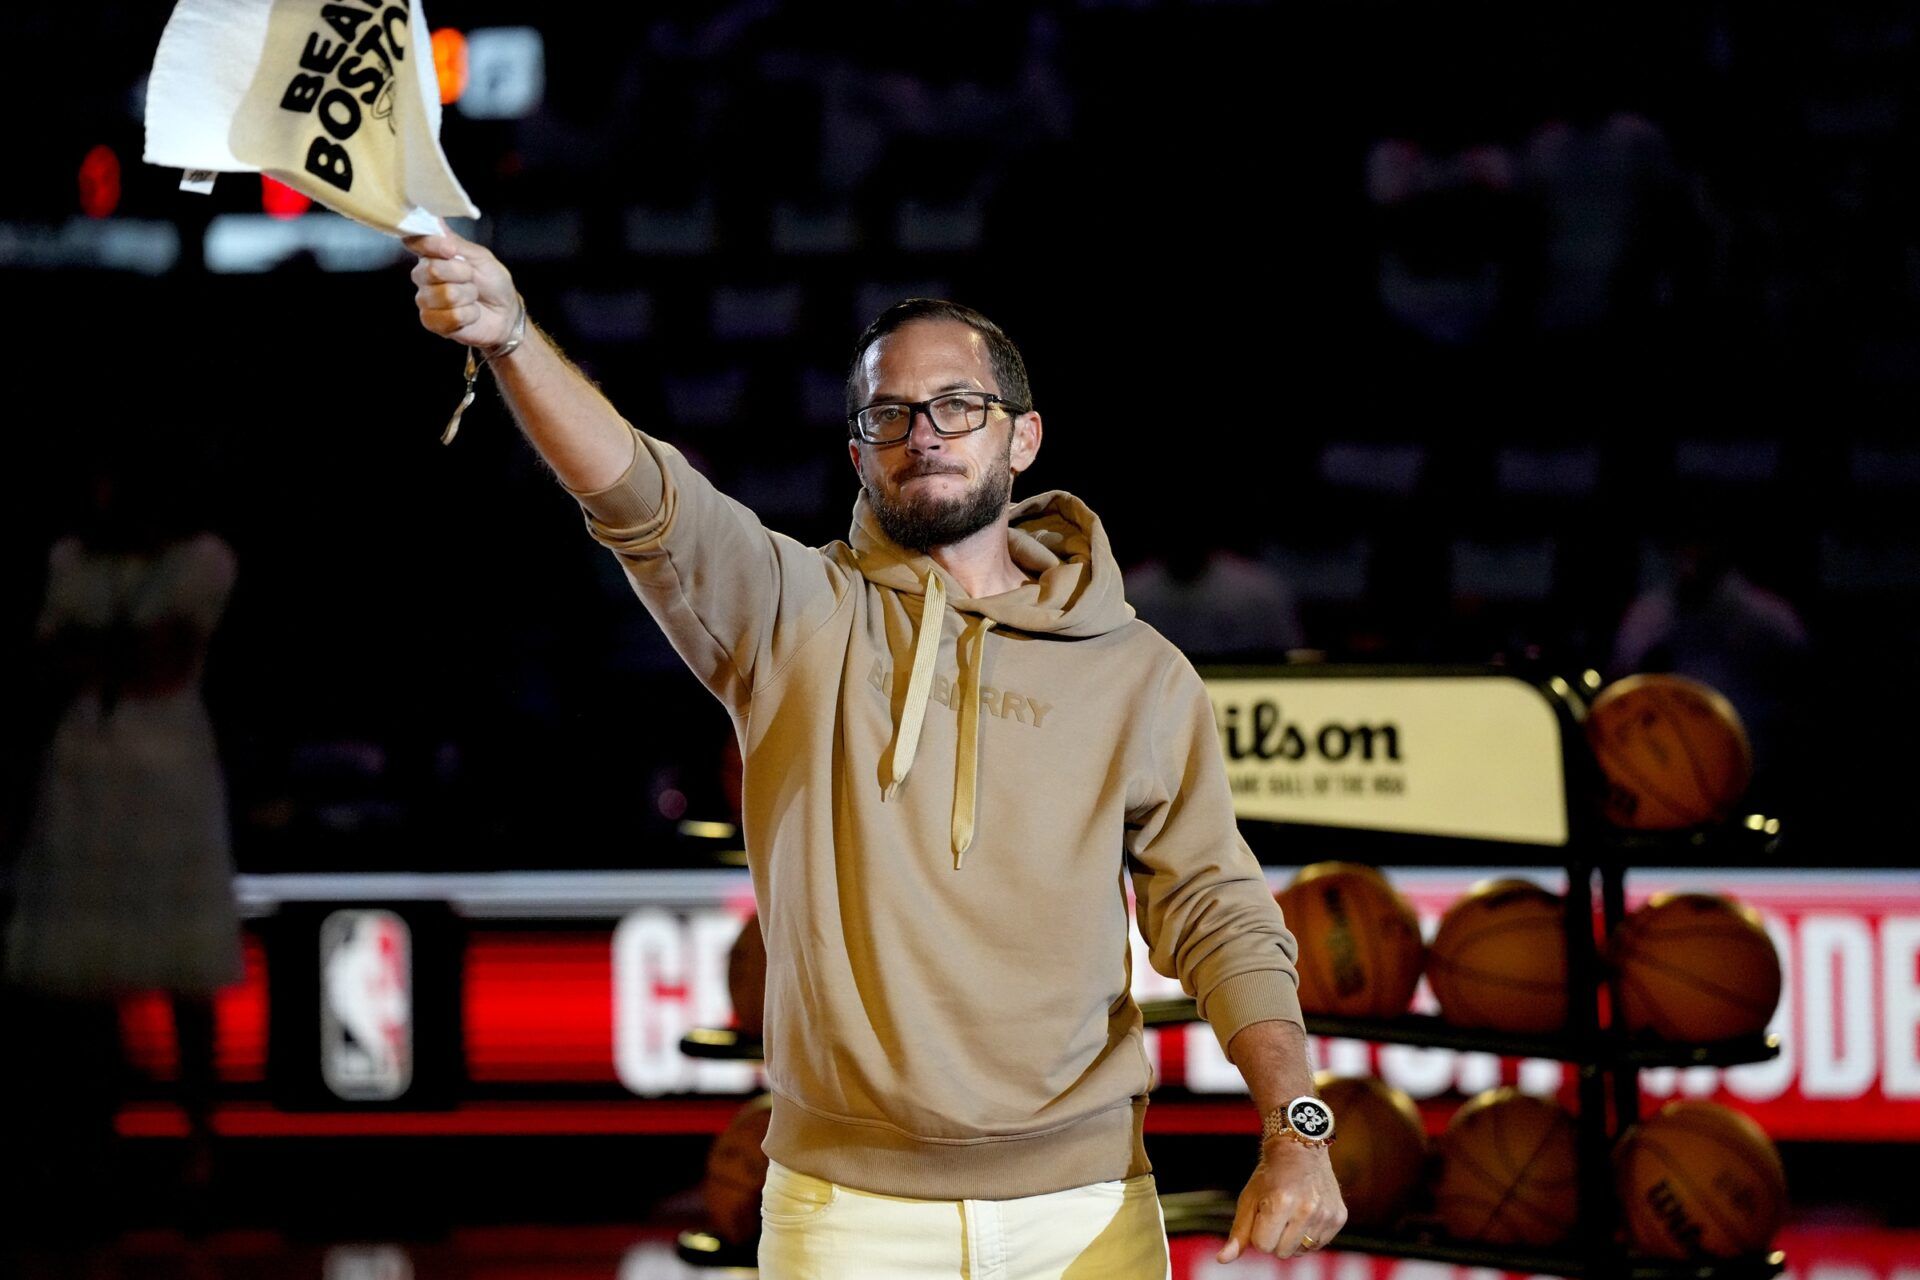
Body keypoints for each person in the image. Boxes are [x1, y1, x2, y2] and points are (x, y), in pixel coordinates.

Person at [404, 228, 1345, 1277]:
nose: (924, 433)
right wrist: (514, 336)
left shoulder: (1139, 670)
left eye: (956, 406)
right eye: (888, 413)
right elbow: (641, 497)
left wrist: (1296, 1125)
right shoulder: (792, 614)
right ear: (858, 452)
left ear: (1022, 437)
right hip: (848, 1213)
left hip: (1087, 1206)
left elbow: (1217, 910)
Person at [4, 455, 243, 1225]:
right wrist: (110, 651)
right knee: (84, 980)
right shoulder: (69, 562)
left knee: (185, 971)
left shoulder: (203, 560)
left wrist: (100, 650)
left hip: (169, 779)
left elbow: (162, 661)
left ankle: (201, 1149)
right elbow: (53, 659)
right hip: (87, 777)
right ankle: (90, 1149)